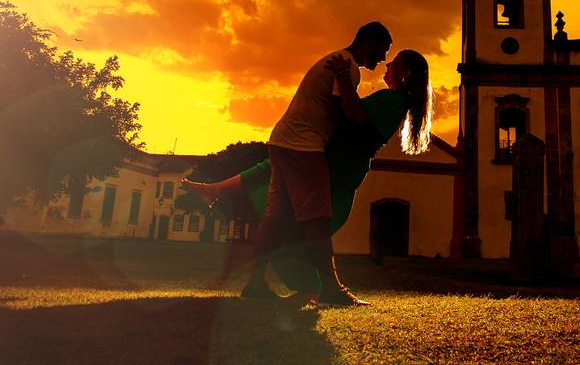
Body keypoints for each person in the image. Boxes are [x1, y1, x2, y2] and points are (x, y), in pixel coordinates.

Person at [184, 48, 433, 304]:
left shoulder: (392, 101)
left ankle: (312, 287)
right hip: (332, 164)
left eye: (394, 62)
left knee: (293, 220)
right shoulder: (392, 100)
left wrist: (342, 79)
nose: (386, 63)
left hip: (337, 172)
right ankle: (303, 286)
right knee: (276, 192)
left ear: (406, 73)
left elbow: (355, 115)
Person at [239, 22, 392, 306]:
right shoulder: (347, 66)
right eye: (382, 50)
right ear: (370, 42)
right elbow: (346, 113)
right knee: (317, 220)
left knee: (275, 219)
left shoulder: (338, 60)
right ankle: (331, 289)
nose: (382, 59)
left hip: (282, 141)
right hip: (303, 147)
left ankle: (255, 284)